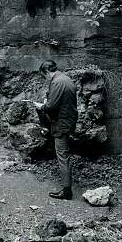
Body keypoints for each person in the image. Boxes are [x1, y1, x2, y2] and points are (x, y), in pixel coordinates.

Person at [34, 60, 77, 200]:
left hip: (61, 124)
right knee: (64, 154)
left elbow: (51, 106)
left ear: (47, 72)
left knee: (63, 156)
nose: (45, 79)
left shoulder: (57, 82)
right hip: (68, 120)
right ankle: (46, 129)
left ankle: (66, 191)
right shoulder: (66, 78)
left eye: (44, 76)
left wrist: (41, 106)